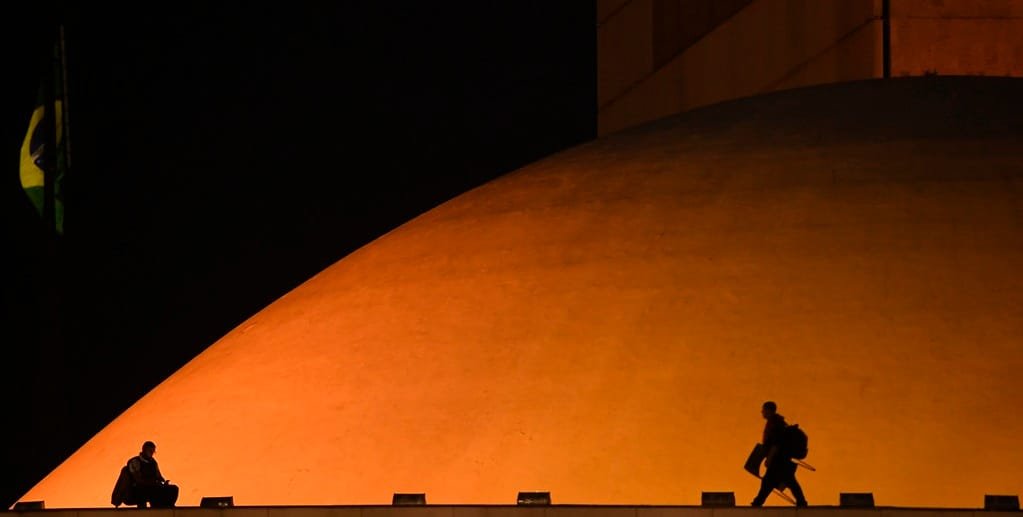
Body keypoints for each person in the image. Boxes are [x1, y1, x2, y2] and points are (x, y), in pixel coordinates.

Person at [751, 401, 807, 507]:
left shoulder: (776, 424)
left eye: (764, 410)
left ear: (769, 410)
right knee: (785, 480)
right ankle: (801, 501)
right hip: (781, 459)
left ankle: (757, 502)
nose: (762, 412)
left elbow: (776, 444)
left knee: (771, 481)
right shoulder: (778, 422)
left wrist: (769, 458)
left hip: (779, 460)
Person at [127, 441, 179, 508]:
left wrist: (163, 482)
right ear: (144, 450)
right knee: (150, 491)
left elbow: (159, 476)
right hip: (138, 490)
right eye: (150, 451)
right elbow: (138, 480)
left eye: (153, 451)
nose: (152, 453)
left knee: (174, 489)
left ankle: (166, 509)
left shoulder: (153, 462)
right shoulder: (135, 462)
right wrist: (153, 483)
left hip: (153, 487)